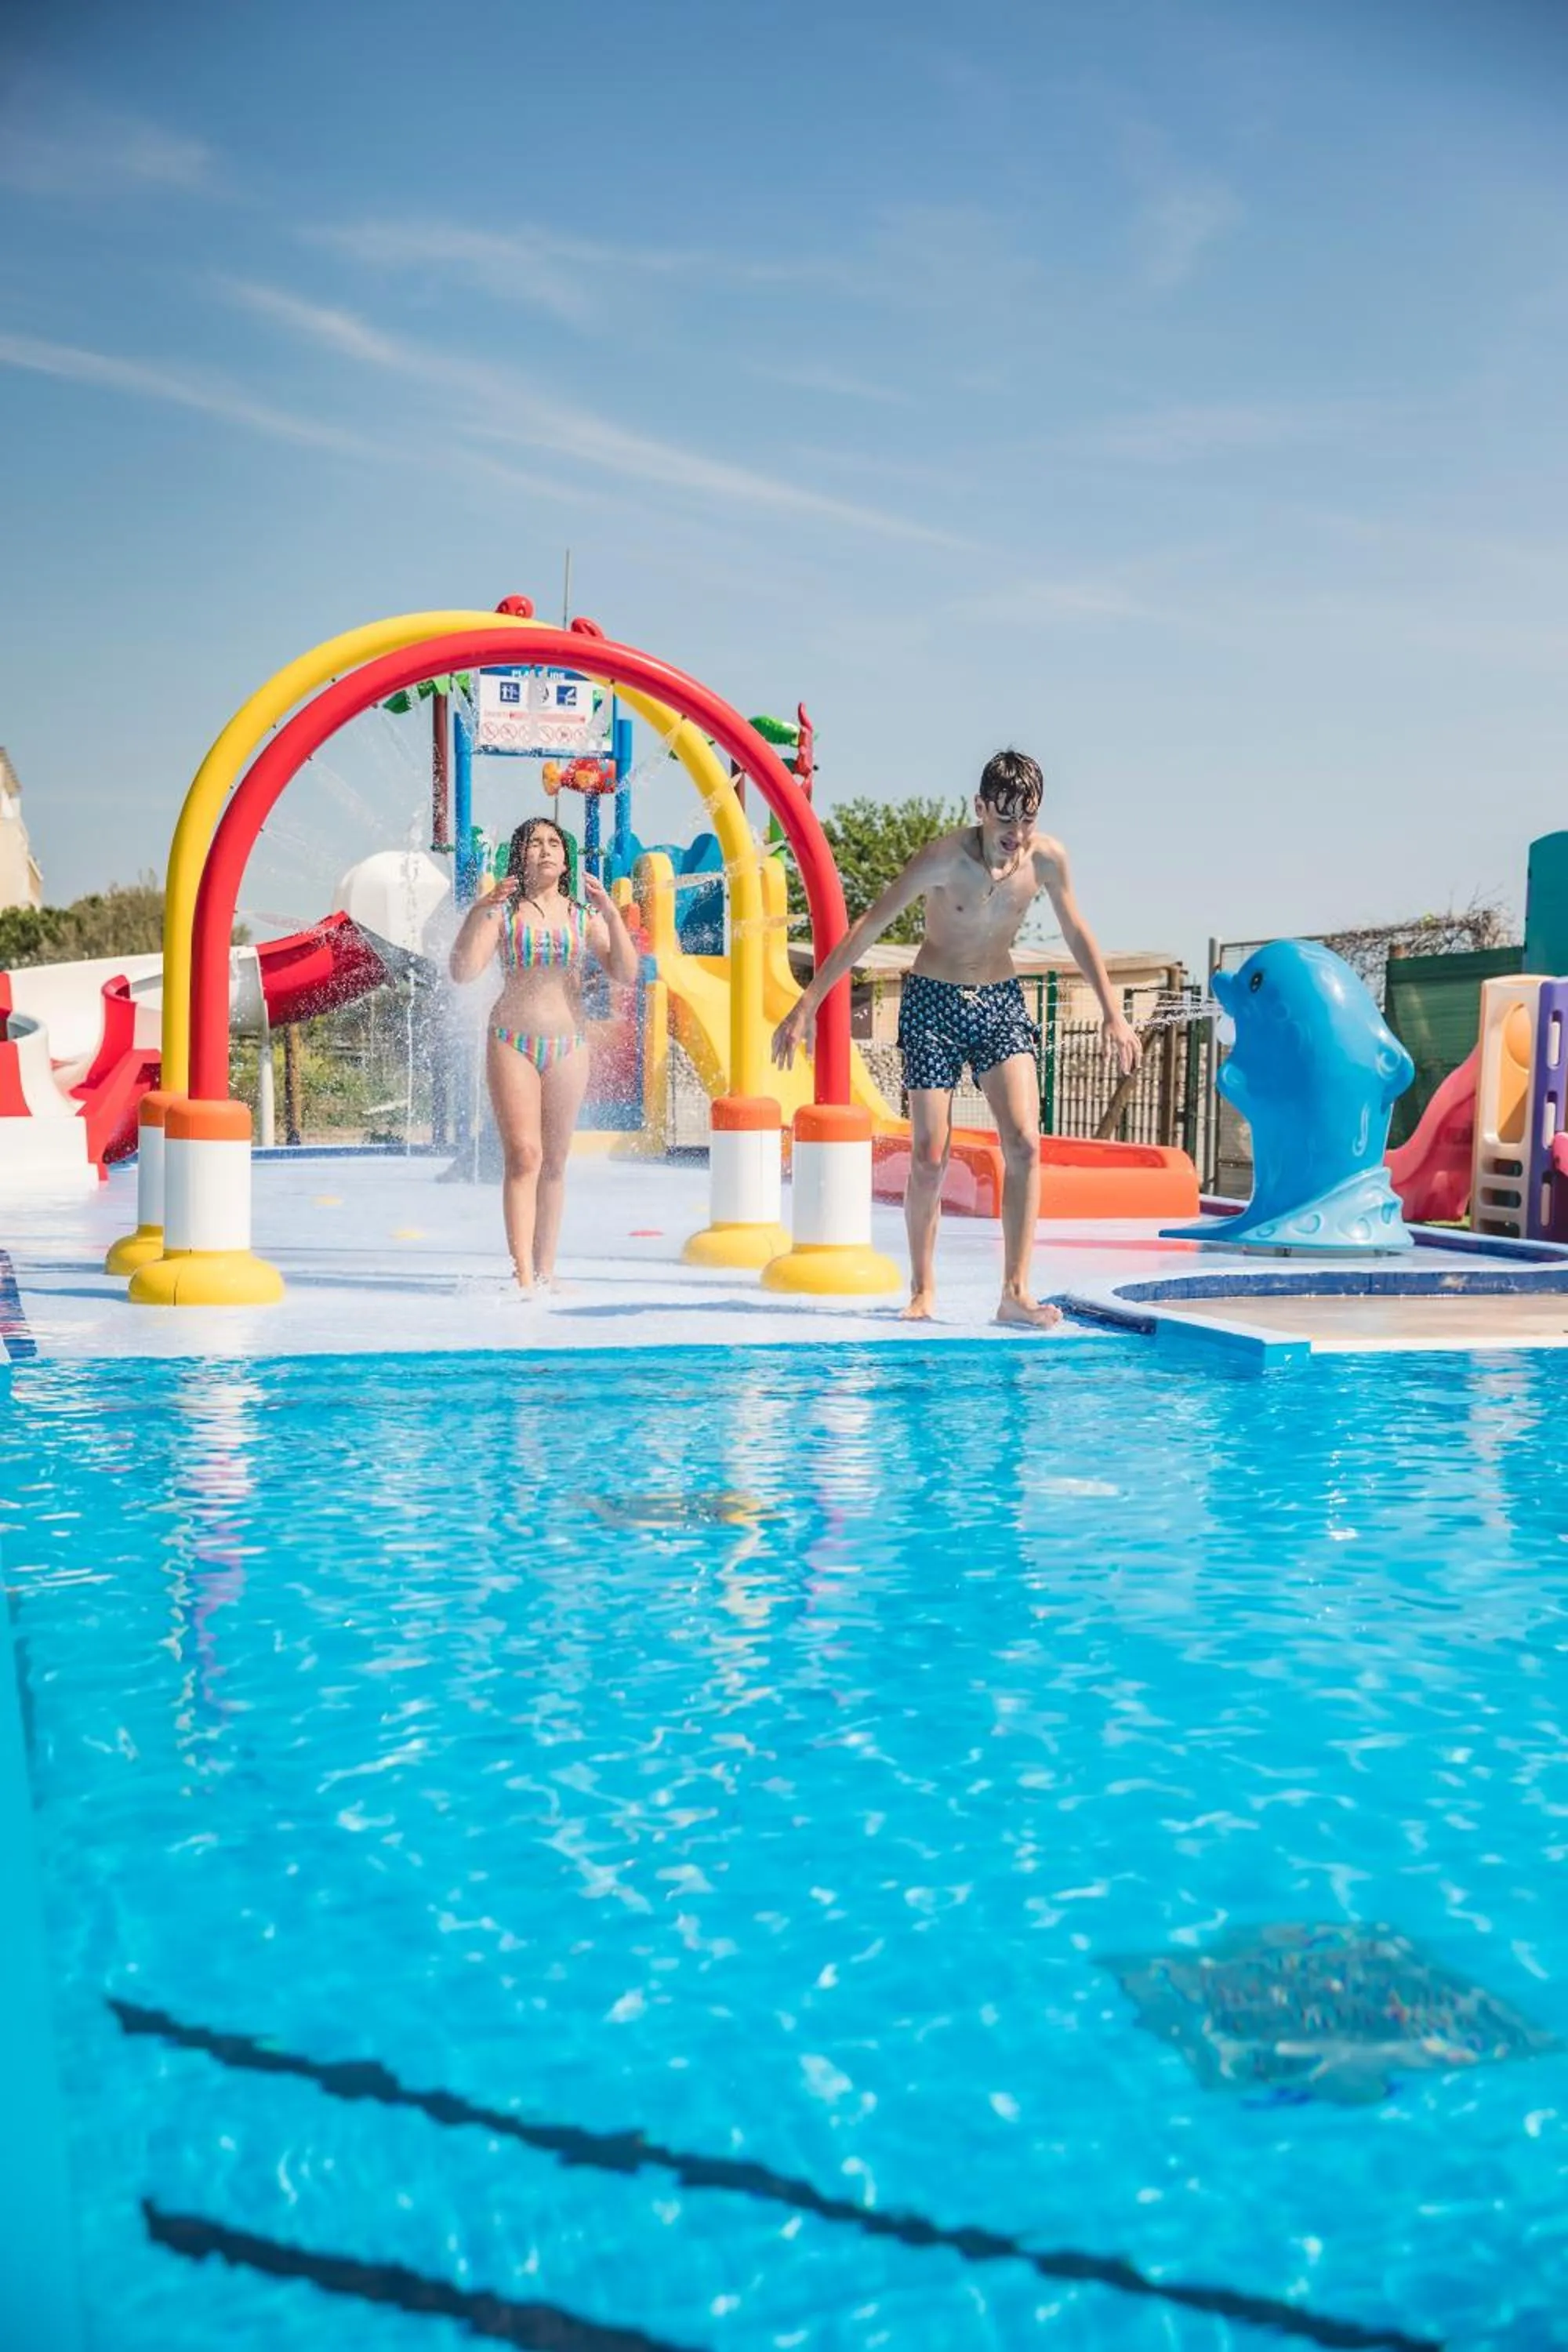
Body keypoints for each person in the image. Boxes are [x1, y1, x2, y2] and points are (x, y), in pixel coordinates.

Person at [771, 750, 1142, 1329]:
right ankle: (922, 1288)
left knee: (1023, 1142)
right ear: (980, 809)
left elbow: (1076, 930)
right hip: (932, 1005)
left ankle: (1015, 1292)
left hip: (999, 1000)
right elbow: (868, 926)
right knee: (929, 1155)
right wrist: (806, 1004)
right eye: (1005, 821)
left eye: (1028, 821)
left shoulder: (1045, 860)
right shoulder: (941, 859)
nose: (1016, 836)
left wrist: (1113, 1013)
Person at [448, 815, 639, 1294]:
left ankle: (547, 1268)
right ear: (521, 855)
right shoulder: (502, 912)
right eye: (535, 843)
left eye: (555, 843)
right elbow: (462, 971)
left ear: (566, 858)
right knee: (524, 1155)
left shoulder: (583, 915)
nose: (546, 850)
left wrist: (613, 915)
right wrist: (478, 910)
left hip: (569, 1044)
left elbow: (626, 972)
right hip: (511, 1039)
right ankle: (523, 1274)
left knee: (554, 1161)